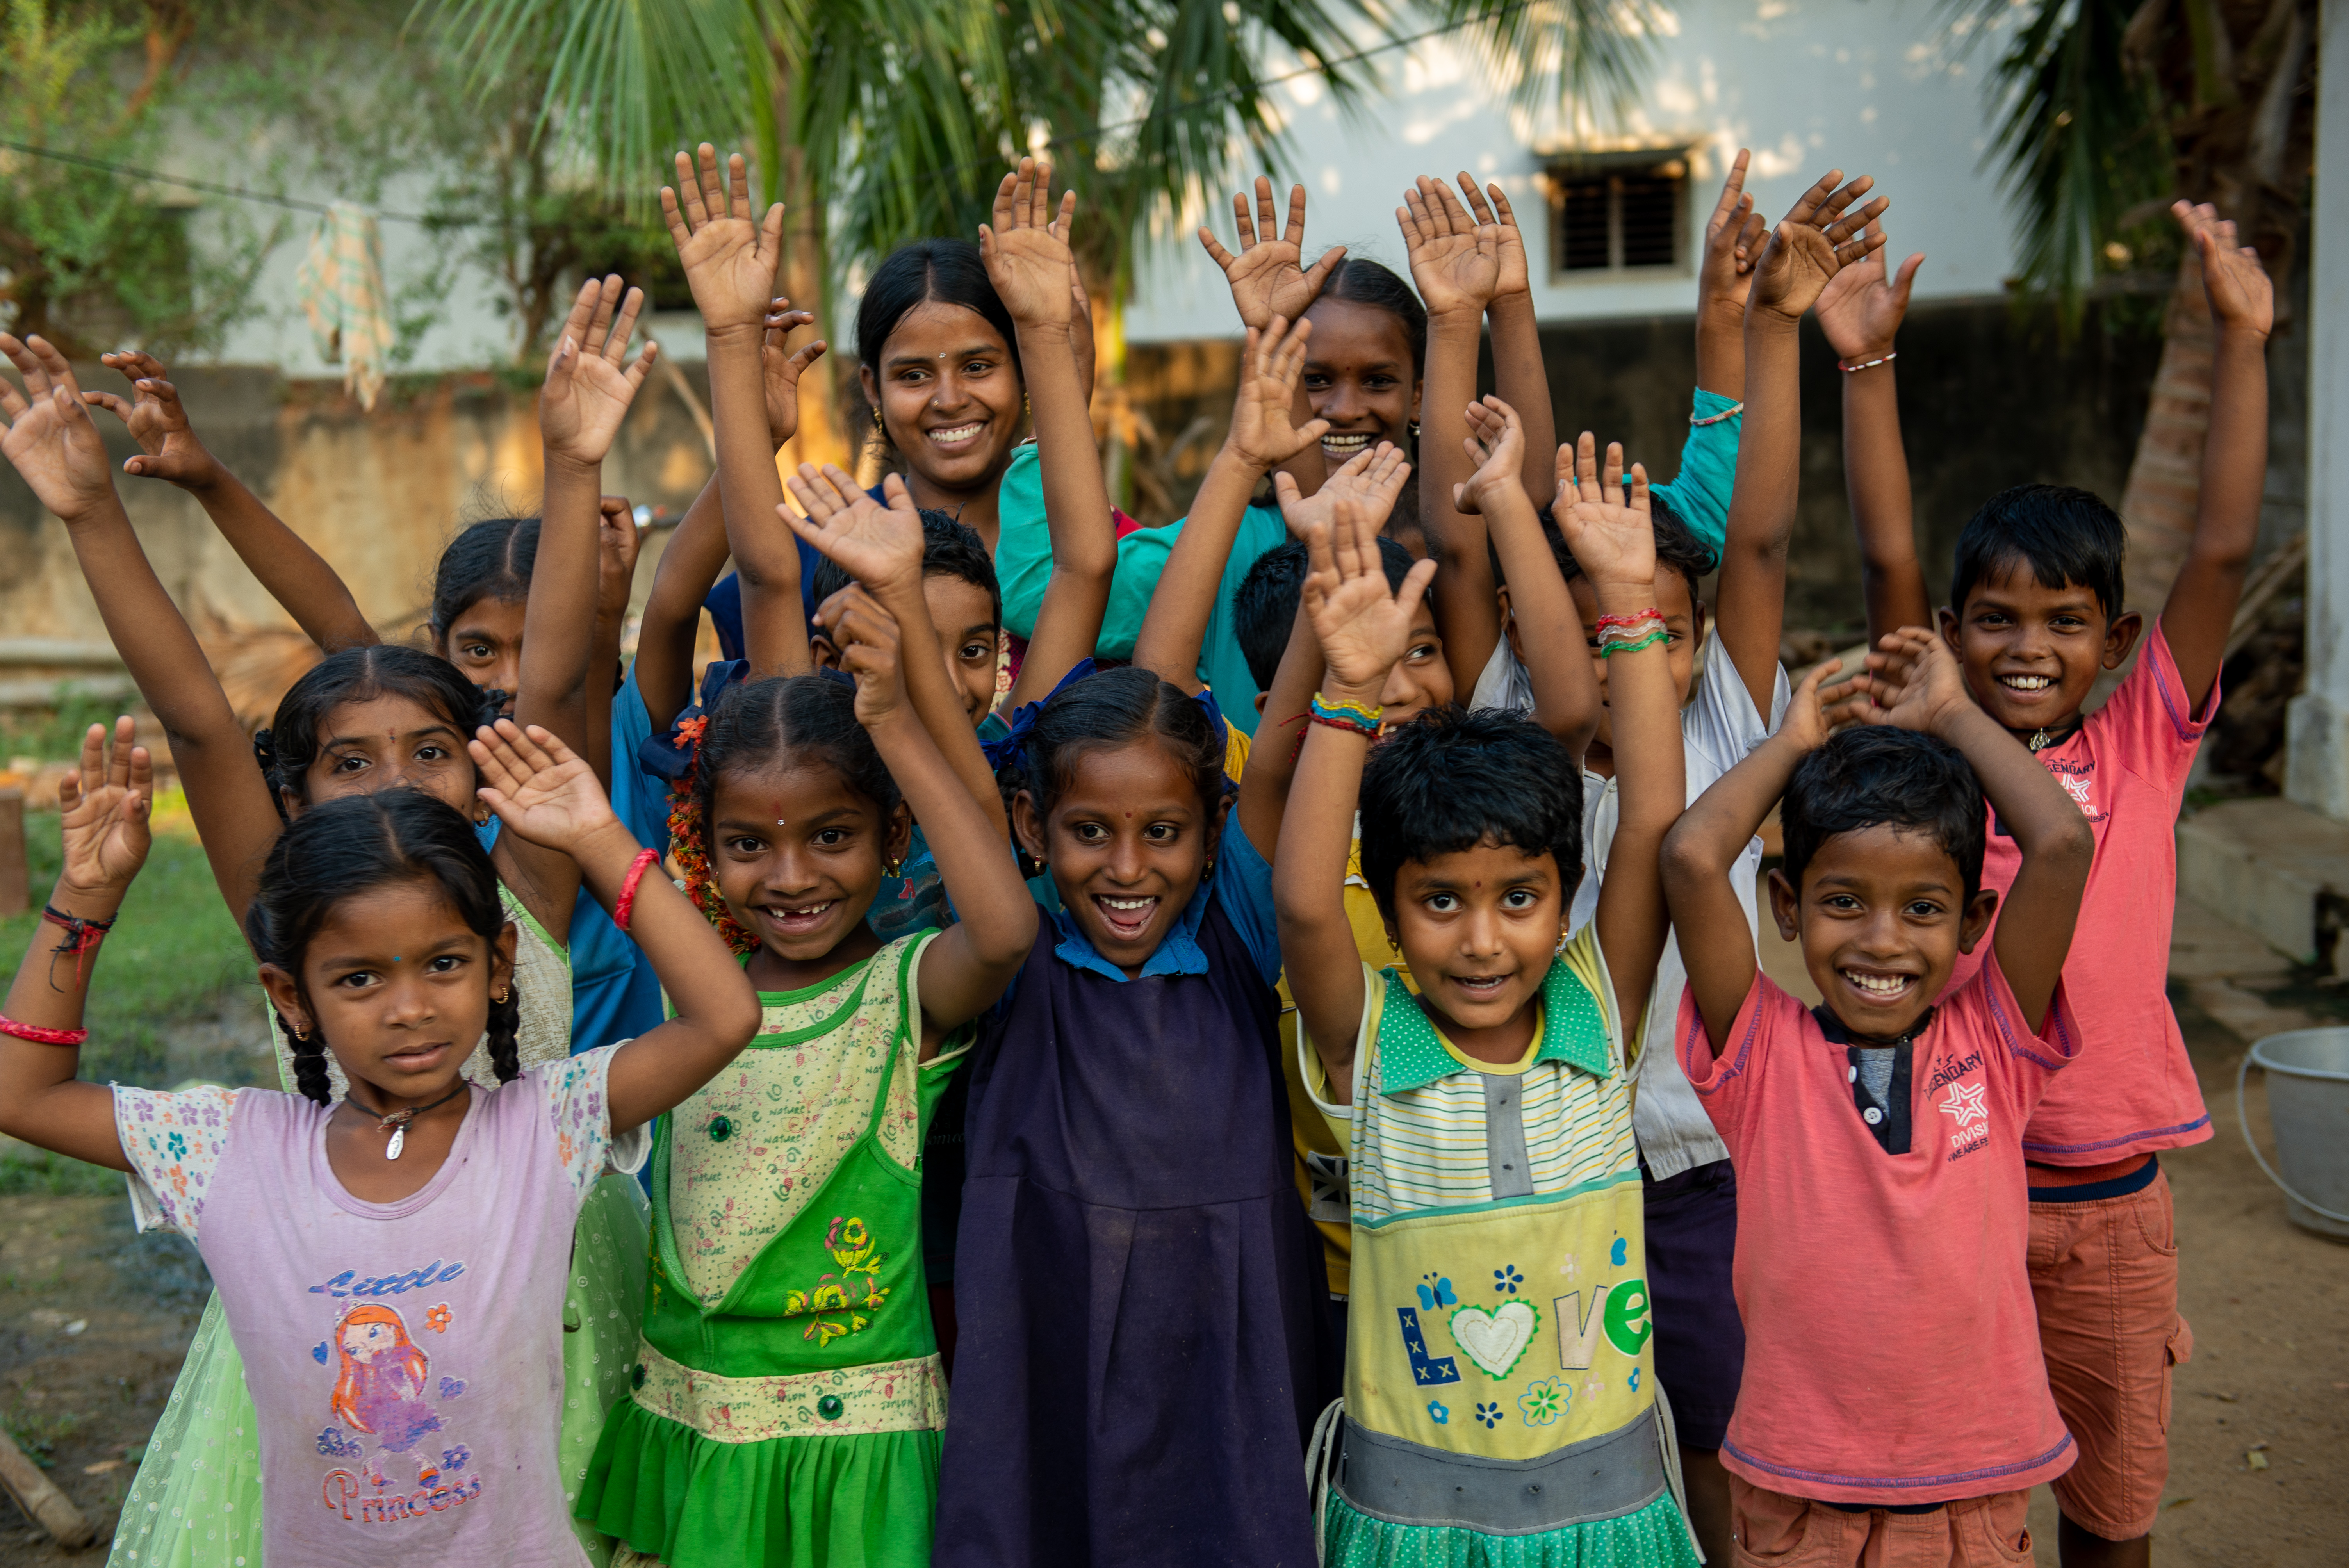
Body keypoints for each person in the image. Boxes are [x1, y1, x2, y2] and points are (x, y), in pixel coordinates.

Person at [1, 296, 650, 1565]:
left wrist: (571, 464)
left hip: (549, 1327)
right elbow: (195, 717)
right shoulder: (287, 896)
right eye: (350, 763)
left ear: (486, 767)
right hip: (338, 1333)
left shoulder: (528, 874)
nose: (398, 780)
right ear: (294, 797)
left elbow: (563, 665)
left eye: (430, 750)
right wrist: (89, 508)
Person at [0, 715, 760, 1563]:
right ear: (291, 997)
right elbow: (22, 1096)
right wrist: (84, 899)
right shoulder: (231, 1151)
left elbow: (724, 1017)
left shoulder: (548, 1126)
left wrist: (599, 838)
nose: (410, 1007)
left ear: (498, 963)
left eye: (443, 963)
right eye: (359, 977)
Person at [1835, 199, 2272, 1568]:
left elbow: (2214, 548)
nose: (2026, 647)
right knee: (1960, 1507)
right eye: (1996, 619)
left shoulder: (2141, 738)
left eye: (2062, 622)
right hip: (1954, 1186)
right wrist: (1863, 365)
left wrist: (2243, 337)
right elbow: (1885, 555)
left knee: (2111, 1503)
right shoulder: (1935, 740)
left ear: (2116, 640)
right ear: (1950, 634)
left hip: (2111, 1201)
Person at [577, 500, 1039, 1565]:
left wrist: (890, 721)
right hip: (698, 1420)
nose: (790, 878)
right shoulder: (696, 1000)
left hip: (861, 1439)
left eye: (832, 837)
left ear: (891, 841)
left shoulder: (899, 990)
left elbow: (1007, 930)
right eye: (750, 845)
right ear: (704, 843)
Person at [1278, 442, 1698, 1563]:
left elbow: (1653, 825)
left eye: (1519, 897)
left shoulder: (1597, 1016)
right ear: (1395, 904)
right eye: (1440, 902)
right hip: (1416, 1527)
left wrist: (1627, 606)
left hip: (1611, 1516)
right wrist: (1350, 691)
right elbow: (1307, 903)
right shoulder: (1372, 1045)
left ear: (1566, 898)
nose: (1481, 939)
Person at [1661, 631, 2097, 1566]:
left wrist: (1950, 716)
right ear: (1785, 906)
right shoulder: (1760, 1051)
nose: (1881, 942)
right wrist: (1786, 746)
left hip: (1971, 1490)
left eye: (1924, 909)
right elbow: (1694, 858)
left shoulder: (1995, 1040)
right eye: (1843, 901)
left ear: (1974, 921)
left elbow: (2061, 842)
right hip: (1796, 1487)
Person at [930, 640, 1331, 1564]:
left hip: (1235, 1355)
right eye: (1088, 832)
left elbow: (1273, 754)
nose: (1125, 868)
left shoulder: (1239, 925)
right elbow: (949, 766)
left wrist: (1328, 638)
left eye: (1162, 831)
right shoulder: (1007, 942)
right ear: (1030, 825)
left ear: (1213, 826)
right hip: (1051, 1334)